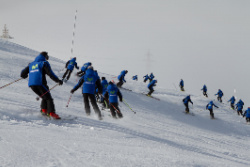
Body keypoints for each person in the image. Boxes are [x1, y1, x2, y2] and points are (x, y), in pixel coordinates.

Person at [20, 51, 63, 119]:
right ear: (45, 57)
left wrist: (24, 76)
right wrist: (58, 81)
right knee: (49, 98)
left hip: (32, 85)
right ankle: (51, 113)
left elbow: (22, 73)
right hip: (39, 83)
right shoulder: (43, 63)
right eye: (47, 57)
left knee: (44, 96)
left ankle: (44, 111)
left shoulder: (31, 64)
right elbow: (50, 73)